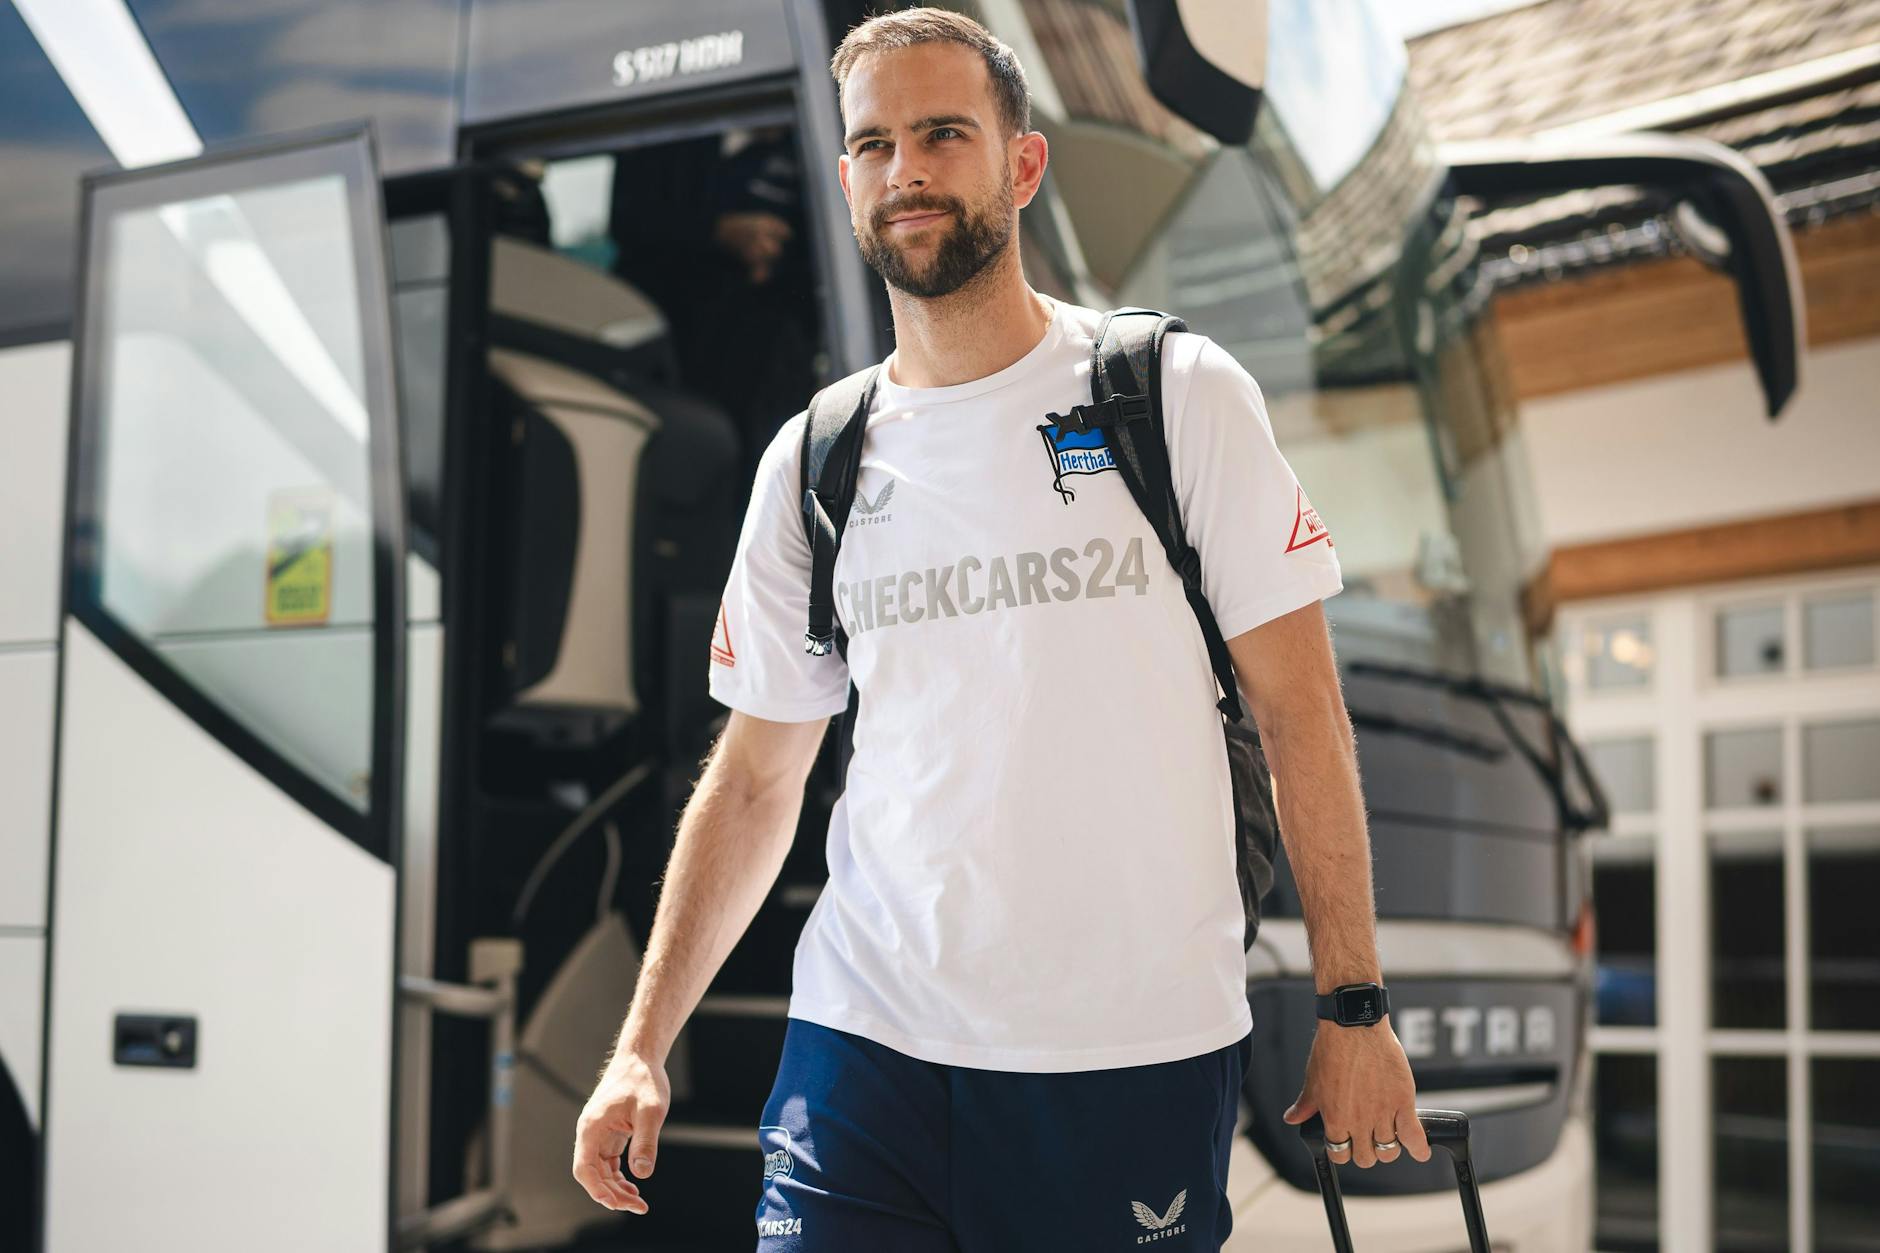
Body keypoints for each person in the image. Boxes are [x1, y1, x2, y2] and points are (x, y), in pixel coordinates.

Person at [573, 9, 1428, 1248]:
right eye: (875, 145)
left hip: (1126, 1053)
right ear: (846, 180)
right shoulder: (812, 459)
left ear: (1021, 165)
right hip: (864, 1043)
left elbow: (1300, 713)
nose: (905, 171)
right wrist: (640, 1044)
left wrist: (1353, 1004)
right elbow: (756, 776)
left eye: (941, 135)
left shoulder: (1172, 395)